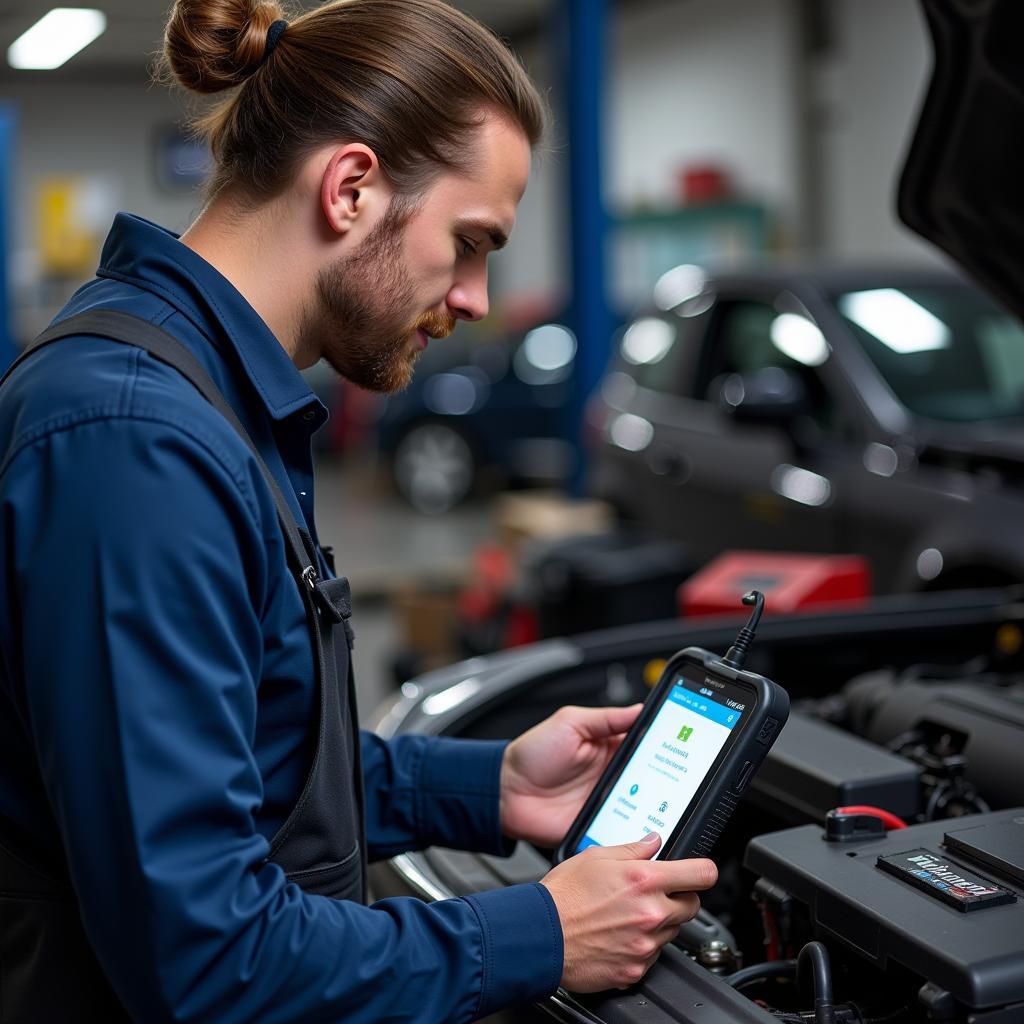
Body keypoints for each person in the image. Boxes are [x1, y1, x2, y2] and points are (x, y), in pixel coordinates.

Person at [0, 0, 717, 1020]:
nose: (474, 296)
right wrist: (539, 933)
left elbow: (244, 762)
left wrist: (490, 784)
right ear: (350, 187)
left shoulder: (205, 403)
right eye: (470, 243)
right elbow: (202, 956)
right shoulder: (137, 443)